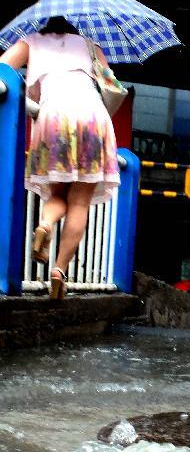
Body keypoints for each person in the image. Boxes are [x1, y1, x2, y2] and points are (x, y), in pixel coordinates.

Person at [0, 16, 120, 299]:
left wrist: (28, 103)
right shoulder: (91, 47)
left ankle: (44, 226)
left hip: (52, 115)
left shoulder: (29, 42)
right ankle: (59, 271)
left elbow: (2, 70)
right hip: (93, 118)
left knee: (57, 195)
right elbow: (111, 84)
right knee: (79, 202)